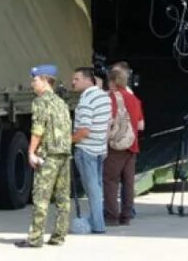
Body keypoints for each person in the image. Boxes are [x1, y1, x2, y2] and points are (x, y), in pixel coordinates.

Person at [16, 65, 72, 248]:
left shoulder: (40, 102)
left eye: (35, 80)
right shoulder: (61, 102)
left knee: (41, 197)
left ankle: (35, 238)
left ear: (45, 80)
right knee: (63, 199)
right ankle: (59, 236)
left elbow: (38, 129)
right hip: (64, 154)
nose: (32, 83)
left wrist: (31, 152)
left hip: (48, 156)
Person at [71, 67, 111, 234]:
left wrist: (67, 140)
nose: (73, 82)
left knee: (91, 189)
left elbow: (84, 130)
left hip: (86, 150)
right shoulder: (104, 98)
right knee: (97, 187)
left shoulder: (86, 100)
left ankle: (98, 224)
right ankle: (98, 221)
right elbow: (108, 123)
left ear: (89, 80)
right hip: (100, 149)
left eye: (76, 79)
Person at [103, 62, 144, 226]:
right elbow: (141, 125)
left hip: (115, 146)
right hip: (132, 145)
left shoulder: (112, 97)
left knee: (110, 180)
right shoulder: (134, 99)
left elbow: (108, 121)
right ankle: (126, 216)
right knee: (128, 182)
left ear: (112, 81)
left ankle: (112, 217)